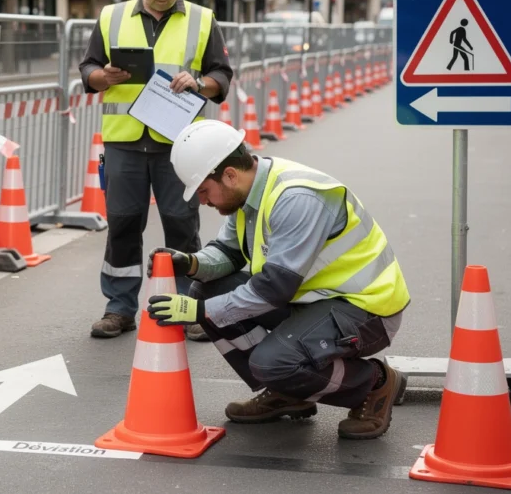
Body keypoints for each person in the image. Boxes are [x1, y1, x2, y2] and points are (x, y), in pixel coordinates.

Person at [144, 119, 410, 440]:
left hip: (366, 309)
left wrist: (200, 313)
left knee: (269, 361)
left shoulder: (297, 198)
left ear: (229, 175)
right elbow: (228, 256)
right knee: (207, 291)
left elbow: (273, 289)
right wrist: (189, 263)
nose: (202, 201)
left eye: (203, 191)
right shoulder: (247, 194)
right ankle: (289, 391)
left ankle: (374, 383)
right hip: (315, 301)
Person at [79, 0, 233, 341]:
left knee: (182, 226)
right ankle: (119, 308)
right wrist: (102, 76)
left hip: (179, 145)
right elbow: (87, 69)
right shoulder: (111, 17)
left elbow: (222, 75)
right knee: (123, 225)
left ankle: (188, 306)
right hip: (124, 143)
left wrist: (200, 83)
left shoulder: (202, 20)